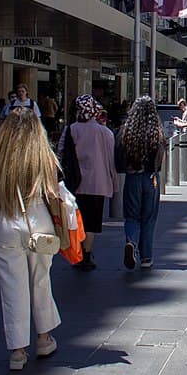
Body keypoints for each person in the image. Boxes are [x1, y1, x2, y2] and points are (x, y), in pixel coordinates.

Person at [0, 108, 60, 371]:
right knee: (40, 279)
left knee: (11, 287)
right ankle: (43, 337)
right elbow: (52, 189)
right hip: (38, 220)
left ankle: (17, 351)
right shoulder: (42, 153)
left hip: (6, 220)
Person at [65, 95, 116, 269]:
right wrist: (114, 183)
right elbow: (111, 160)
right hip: (98, 183)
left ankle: (78, 252)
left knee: (77, 219)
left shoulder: (71, 129)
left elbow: (61, 154)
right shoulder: (106, 133)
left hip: (75, 183)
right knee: (93, 221)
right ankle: (86, 254)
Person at [116, 96, 165, 270]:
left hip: (132, 177)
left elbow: (119, 155)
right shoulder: (156, 132)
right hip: (150, 177)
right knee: (149, 218)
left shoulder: (126, 131)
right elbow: (160, 157)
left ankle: (131, 241)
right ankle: (146, 257)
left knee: (131, 216)